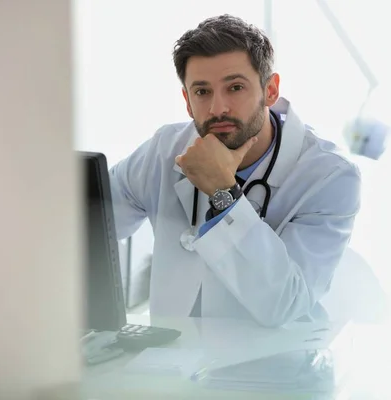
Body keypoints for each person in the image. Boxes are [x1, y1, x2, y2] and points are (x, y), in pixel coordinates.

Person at [109, 14, 361, 327]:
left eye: (235, 87)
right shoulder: (163, 150)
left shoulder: (329, 176)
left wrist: (224, 193)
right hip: (173, 360)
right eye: (202, 92)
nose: (218, 109)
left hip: (278, 363)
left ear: (270, 90)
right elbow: (85, 228)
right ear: (187, 102)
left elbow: (285, 304)